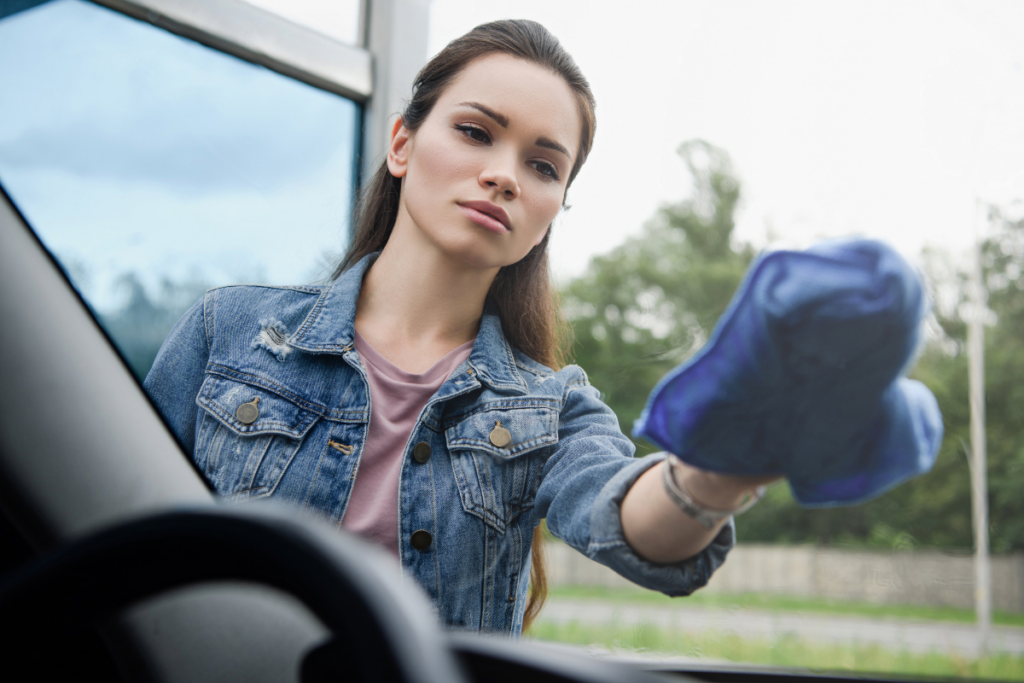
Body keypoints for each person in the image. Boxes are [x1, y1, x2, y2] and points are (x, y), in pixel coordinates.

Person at [145, 19, 777, 635]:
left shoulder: (550, 408)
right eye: (476, 132)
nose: (504, 175)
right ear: (401, 143)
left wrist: (716, 473)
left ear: (553, 209)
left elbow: (633, 522)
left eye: (543, 166)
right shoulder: (227, 332)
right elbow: (107, 526)